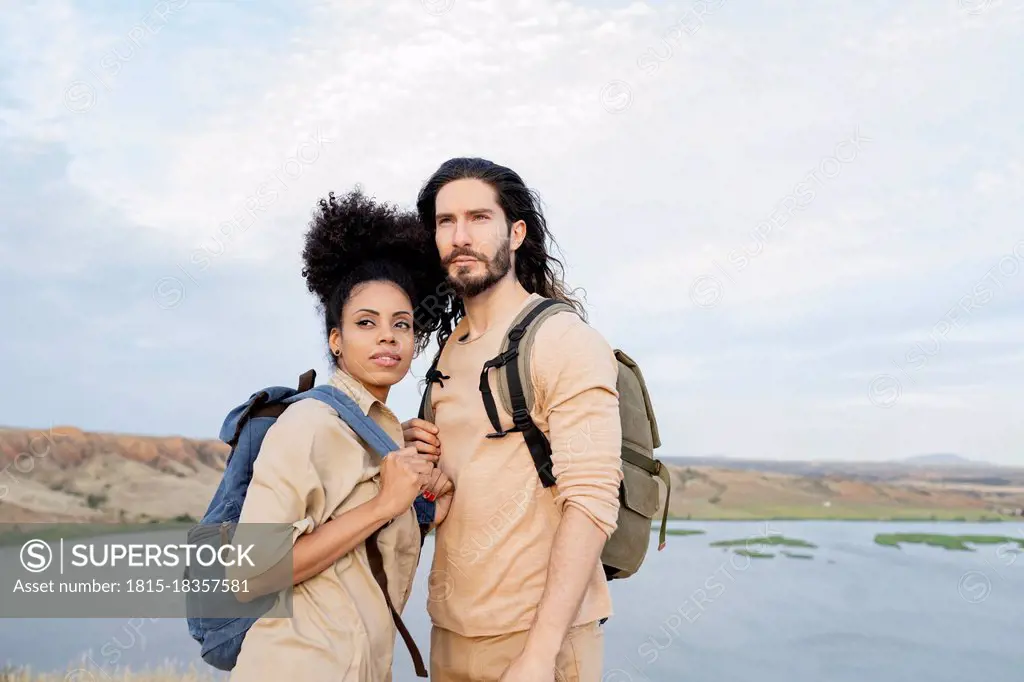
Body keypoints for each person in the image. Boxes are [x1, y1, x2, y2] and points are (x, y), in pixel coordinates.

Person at [403, 158, 623, 682]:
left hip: (542, 641)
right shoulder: (448, 353)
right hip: (452, 633)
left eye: (479, 217)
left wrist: (539, 656)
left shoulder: (562, 340)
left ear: (516, 232)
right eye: (445, 221)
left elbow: (592, 501)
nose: (460, 236)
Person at [228, 187, 455, 682]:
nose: (387, 336)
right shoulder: (309, 424)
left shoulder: (386, 434)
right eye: (365, 322)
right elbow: (250, 574)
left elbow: (362, 560)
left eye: (402, 324)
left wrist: (425, 507)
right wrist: (384, 504)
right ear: (336, 339)